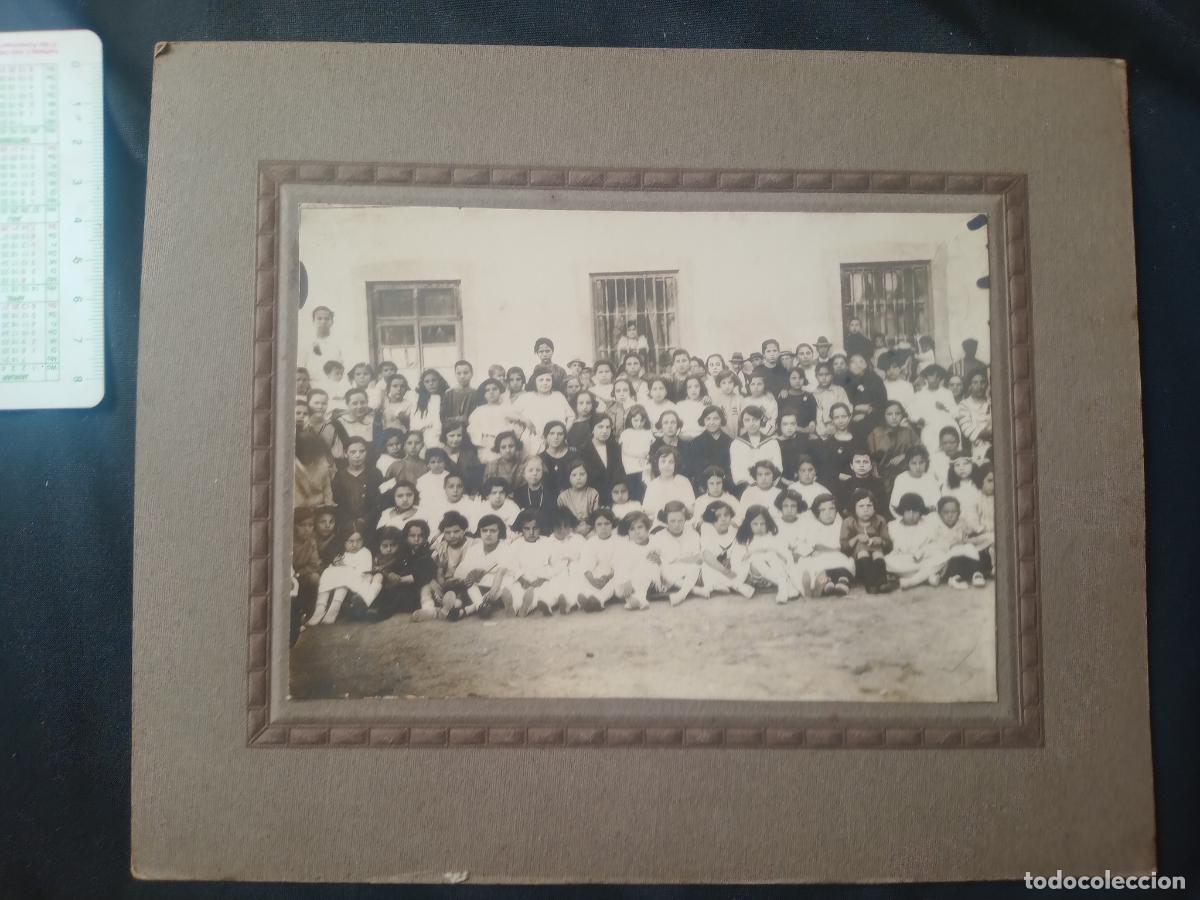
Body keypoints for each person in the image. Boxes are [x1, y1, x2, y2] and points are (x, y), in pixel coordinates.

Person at [308, 520, 382, 625]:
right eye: (351, 541)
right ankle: (320, 608)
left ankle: (335, 607)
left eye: (359, 540)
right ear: (344, 542)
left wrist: (345, 568)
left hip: (359, 582)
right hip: (344, 580)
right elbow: (335, 567)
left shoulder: (365, 552)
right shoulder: (343, 553)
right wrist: (336, 564)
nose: (355, 544)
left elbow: (363, 572)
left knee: (344, 577)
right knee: (328, 572)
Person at [734, 505, 798, 604]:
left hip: (775, 574)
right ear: (748, 524)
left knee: (772, 554)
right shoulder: (744, 539)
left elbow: (785, 557)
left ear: (767, 523)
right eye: (755, 524)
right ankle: (784, 584)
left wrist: (771, 551)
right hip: (756, 577)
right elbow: (739, 560)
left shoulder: (773, 537)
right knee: (756, 559)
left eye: (762, 524)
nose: (759, 527)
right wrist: (757, 552)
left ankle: (783, 587)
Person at [419, 511, 477, 621]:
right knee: (426, 588)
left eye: (456, 531)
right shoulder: (441, 546)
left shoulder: (473, 544)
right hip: (445, 582)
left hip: (464, 582)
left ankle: (450, 607)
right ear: (443, 534)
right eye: (447, 532)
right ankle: (429, 609)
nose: (452, 536)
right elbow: (428, 563)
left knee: (464, 593)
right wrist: (437, 581)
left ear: (464, 530)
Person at [452, 514, 513, 617]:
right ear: (479, 532)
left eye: (493, 531)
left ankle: (467, 610)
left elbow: (501, 573)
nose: (488, 534)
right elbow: (462, 572)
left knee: (505, 585)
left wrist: (493, 590)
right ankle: (481, 606)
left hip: (498, 583)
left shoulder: (505, 548)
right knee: (470, 584)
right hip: (479, 586)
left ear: (500, 532)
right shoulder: (474, 549)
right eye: (484, 530)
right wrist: (467, 580)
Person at [884, 493, 946, 589]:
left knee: (942, 557)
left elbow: (936, 544)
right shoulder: (892, 526)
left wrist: (922, 552)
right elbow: (893, 548)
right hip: (904, 560)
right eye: (908, 511)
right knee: (887, 561)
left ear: (921, 512)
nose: (912, 515)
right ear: (902, 511)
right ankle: (926, 577)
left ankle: (910, 582)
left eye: (916, 511)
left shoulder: (928, 524)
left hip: (923, 559)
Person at [839, 490, 896, 594]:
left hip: (876, 556)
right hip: (858, 560)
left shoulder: (880, 520)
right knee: (862, 548)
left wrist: (881, 541)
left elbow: (889, 545)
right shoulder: (848, 522)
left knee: (877, 551)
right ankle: (870, 584)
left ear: (874, 508)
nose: (866, 510)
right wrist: (856, 538)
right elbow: (844, 547)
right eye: (861, 506)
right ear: (854, 508)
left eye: (869, 506)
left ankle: (882, 581)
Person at [651, 500, 708, 605]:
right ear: (666, 520)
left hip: (689, 569)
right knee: (662, 568)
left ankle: (682, 594)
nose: (676, 524)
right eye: (672, 521)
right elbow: (653, 557)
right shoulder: (659, 536)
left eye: (680, 520)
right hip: (669, 572)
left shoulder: (693, 534)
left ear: (685, 519)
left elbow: (697, 557)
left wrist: (681, 560)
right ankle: (694, 590)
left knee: (696, 566)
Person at [799, 493, 855, 595]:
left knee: (843, 563)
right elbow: (814, 546)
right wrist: (831, 549)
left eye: (831, 509)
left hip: (839, 556)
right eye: (823, 510)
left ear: (836, 510)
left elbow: (845, 545)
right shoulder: (813, 527)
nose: (828, 513)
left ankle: (842, 582)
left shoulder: (841, 525)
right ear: (816, 513)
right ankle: (826, 583)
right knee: (818, 565)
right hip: (822, 557)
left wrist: (837, 550)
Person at [698, 501, 756, 597]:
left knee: (741, 551)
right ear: (711, 518)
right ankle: (736, 586)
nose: (723, 519)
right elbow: (707, 555)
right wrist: (724, 570)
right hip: (718, 569)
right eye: (718, 516)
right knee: (706, 565)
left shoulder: (734, 530)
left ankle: (720, 585)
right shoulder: (707, 529)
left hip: (733, 570)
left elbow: (743, 554)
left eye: (726, 515)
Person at [537, 508, 587, 614]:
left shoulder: (578, 540)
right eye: (558, 526)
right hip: (556, 576)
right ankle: (548, 604)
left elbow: (586, 560)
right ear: (551, 526)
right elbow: (543, 567)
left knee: (576, 584)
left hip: (575, 574)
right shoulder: (547, 543)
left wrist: (572, 563)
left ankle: (568, 603)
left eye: (566, 526)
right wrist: (559, 569)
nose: (563, 530)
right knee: (552, 587)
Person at [931, 496, 988, 589]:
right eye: (946, 512)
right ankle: (956, 577)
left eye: (954, 512)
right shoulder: (936, 526)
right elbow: (934, 545)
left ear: (959, 513)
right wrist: (951, 545)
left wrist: (975, 535)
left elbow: (975, 531)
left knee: (975, 552)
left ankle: (976, 574)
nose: (950, 515)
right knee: (959, 555)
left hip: (964, 554)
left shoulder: (961, 522)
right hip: (946, 558)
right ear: (939, 513)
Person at [574, 508, 623, 611]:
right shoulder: (590, 543)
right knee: (582, 579)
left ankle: (599, 601)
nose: (603, 527)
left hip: (611, 575)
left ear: (612, 525)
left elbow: (619, 564)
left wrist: (607, 577)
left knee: (614, 583)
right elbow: (586, 564)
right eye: (599, 524)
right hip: (595, 575)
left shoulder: (618, 541)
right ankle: (585, 600)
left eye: (607, 524)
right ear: (594, 527)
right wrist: (592, 579)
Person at [514, 364, 574, 448]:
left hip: (556, 442)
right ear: (535, 381)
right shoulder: (526, 397)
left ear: (552, 382)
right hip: (532, 442)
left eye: (548, 380)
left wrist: (562, 433)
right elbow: (509, 414)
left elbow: (571, 416)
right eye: (541, 380)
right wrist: (525, 420)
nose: (545, 383)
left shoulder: (558, 396)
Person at [613, 511, 661, 611]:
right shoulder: (625, 547)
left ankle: (639, 599)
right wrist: (626, 580)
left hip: (649, 581)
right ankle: (632, 599)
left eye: (640, 527)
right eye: (632, 529)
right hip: (627, 582)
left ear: (647, 528)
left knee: (649, 564)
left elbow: (665, 559)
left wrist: (659, 560)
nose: (637, 532)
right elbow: (620, 567)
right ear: (627, 532)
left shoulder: (654, 542)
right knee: (619, 584)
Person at [469, 377, 523, 464]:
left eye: (495, 389)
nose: (491, 392)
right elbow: (473, 430)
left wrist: (509, 440)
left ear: (500, 391)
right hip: (487, 448)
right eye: (487, 390)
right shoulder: (478, 411)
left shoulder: (509, 408)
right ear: (483, 394)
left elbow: (518, 427)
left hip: (506, 447)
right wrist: (484, 441)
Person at [729, 406, 781, 495]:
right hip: (746, 489)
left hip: (769, 487)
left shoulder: (772, 442)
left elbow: (778, 466)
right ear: (742, 422)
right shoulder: (736, 444)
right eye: (747, 420)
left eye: (755, 419)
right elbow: (736, 469)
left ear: (761, 420)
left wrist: (767, 484)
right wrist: (751, 485)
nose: (751, 423)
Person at [331, 437, 382, 527]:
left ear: (367, 452)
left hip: (371, 523)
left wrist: (365, 519)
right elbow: (337, 502)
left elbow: (379, 502)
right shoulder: (340, 476)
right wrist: (349, 522)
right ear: (346, 454)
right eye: (353, 452)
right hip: (346, 524)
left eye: (362, 451)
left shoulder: (375, 474)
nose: (358, 455)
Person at [868, 400, 919, 491]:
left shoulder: (908, 432)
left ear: (902, 415)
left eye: (898, 413)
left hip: (905, 476)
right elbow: (870, 457)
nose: (894, 417)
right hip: (883, 479)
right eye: (889, 414)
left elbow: (920, 450)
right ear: (883, 415)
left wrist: (905, 455)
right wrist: (874, 470)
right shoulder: (875, 433)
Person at [641, 445, 697, 525]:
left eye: (671, 462)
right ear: (657, 463)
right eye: (663, 462)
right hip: (659, 524)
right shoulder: (653, 485)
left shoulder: (683, 481)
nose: (667, 465)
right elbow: (647, 510)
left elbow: (691, 508)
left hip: (681, 523)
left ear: (675, 464)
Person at [578, 413, 625, 504]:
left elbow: (619, 473)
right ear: (592, 429)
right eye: (600, 427)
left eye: (608, 427)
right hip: (592, 499)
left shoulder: (615, 447)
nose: (604, 431)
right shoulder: (583, 450)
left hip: (614, 497)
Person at [906, 364, 958, 445]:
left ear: (941, 378)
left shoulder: (947, 393)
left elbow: (956, 413)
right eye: (931, 376)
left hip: (947, 429)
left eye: (938, 377)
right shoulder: (919, 395)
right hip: (929, 430)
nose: (934, 379)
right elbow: (910, 412)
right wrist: (918, 419)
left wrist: (944, 408)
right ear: (926, 377)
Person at [687, 406, 734, 492]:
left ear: (721, 420)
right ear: (703, 421)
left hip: (726, 486)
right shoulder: (695, 443)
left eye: (716, 419)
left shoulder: (730, 442)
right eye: (708, 419)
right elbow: (695, 469)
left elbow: (731, 468)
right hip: (703, 487)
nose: (711, 422)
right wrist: (703, 485)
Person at [889, 446, 942, 518]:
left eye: (921, 462)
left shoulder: (930, 478)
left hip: (928, 520)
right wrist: (904, 520)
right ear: (908, 464)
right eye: (913, 463)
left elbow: (937, 505)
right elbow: (893, 506)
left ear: (926, 462)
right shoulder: (901, 479)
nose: (918, 467)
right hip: (906, 520)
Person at [845, 352, 888, 439]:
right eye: (853, 362)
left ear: (866, 364)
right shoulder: (845, 380)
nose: (857, 365)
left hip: (872, 420)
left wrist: (867, 411)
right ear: (848, 365)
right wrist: (856, 410)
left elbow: (882, 403)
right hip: (850, 420)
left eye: (861, 361)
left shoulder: (875, 380)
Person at [837, 449, 889, 522]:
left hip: (874, 521)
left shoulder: (878, 483)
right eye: (858, 462)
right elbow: (844, 509)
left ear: (871, 466)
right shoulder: (846, 485)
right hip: (853, 522)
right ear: (851, 466)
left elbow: (883, 507)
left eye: (865, 462)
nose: (861, 465)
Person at [512, 456, 557, 536]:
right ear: (523, 473)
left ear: (542, 472)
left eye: (538, 470)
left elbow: (552, 518)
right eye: (530, 470)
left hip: (545, 533)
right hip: (524, 534)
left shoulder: (550, 494)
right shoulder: (518, 493)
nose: (534, 473)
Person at [618, 404, 653, 501]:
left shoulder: (647, 432)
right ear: (630, 419)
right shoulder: (627, 433)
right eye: (636, 420)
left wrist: (646, 455)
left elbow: (649, 448)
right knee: (633, 488)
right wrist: (638, 455)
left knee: (645, 486)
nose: (639, 423)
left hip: (643, 464)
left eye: (642, 420)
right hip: (631, 465)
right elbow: (625, 450)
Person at [957, 370, 993, 462]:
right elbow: (968, 430)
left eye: (982, 382)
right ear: (970, 386)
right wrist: (991, 434)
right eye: (975, 383)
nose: (979, 386)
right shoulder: (964, 404)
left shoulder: (992, 401)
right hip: (978, 449)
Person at [557, 459, 600, 536]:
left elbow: (596, 516)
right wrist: (574, 530)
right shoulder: (563, 497)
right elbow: (562, 520)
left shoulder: (593, 493)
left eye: (582, 474)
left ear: (587, 475)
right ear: (568, 477)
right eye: (574, 475)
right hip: (571, 531)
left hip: (590, 529)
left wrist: (588, 527)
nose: (578, 478)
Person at [440, 418, 482, 496]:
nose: (456, 439)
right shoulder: (439, 455)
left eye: (459, 435)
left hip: (467, 496)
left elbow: (477, 479)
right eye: (451, 435)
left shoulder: (469, 455)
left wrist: (473, 495)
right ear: (444, 436)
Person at [299, 305, 344, 375]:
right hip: (312, 383)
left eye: (327, 319)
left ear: (332, 322)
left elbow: (344, 367)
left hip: (334, 383)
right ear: (313, 321)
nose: (323, 322)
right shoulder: (306, 343)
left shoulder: (339, 343)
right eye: (319, 319)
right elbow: (301, 368)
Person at [811, 361, 851, 438]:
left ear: (832, 376)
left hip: (840, 427)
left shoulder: (839, 390)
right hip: (820, 431)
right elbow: (816, 416)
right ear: (816, 376)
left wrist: (835, 427)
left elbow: (847, 410)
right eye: (821, 375)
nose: (824, 378)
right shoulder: (813, 394)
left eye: (827, 374)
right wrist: (822, 431)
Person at [410, 368, 448, 450]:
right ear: (423, 384)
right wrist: (427, 424)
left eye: (434, 380)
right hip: (425, 438)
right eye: (427, 382)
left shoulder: (446, 397)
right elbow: (414, 424)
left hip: (443, 438)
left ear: (439, 381)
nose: (431, 383)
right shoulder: (419, 401)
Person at [776, 411, 817, 484]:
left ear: (797, 424)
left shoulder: (804, 439)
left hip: (805, 480)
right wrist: (784, 481)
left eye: (792, 424)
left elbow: (814, 462)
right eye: (785, 424)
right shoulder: (775, 443)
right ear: (779, 425)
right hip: (783, 482)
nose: (789, 427)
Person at [538, 421, 577, 495]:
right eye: (552, 433)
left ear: (564, 436)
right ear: (546, 436)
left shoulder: (573, 454)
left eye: (560, 434)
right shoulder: (540, 458)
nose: (556, 437)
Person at [777, 367, 817, 435]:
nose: (797, 381)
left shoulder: (809, 396)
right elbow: (779, 418)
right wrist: (796, 428)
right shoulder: (784, 396)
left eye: (800, 378)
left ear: (804, 379)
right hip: (788, 432)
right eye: (794, 378)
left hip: (806, 432)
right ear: (788, 379)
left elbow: (813, 416)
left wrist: (812, 423)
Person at [711, 369, 746, 439]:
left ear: (734, 383)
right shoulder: (715, 400)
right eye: (723, 383)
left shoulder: (740, 399)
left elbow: (744, 420)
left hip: (736, 435)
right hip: (720, 437)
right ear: (719, 384)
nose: (727, 386)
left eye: (730, 382)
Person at [674, 376, 709, 440]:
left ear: (701, 388)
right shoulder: (680, 405)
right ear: (685, 389)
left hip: (702, 438)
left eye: (696, 386)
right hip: (683, 438)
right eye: (689, 387)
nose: (693, 390)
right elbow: (676, 424)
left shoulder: (705, 404)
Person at [745, 370, 779, 435]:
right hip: (748, 436)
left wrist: (765, 437)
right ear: (748, 386)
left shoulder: (770, 401)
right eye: (753, 384)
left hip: (765, 435)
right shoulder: (745, 401)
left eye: (759, 384)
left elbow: (773, 422)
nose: (756, 387)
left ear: (764, 385)